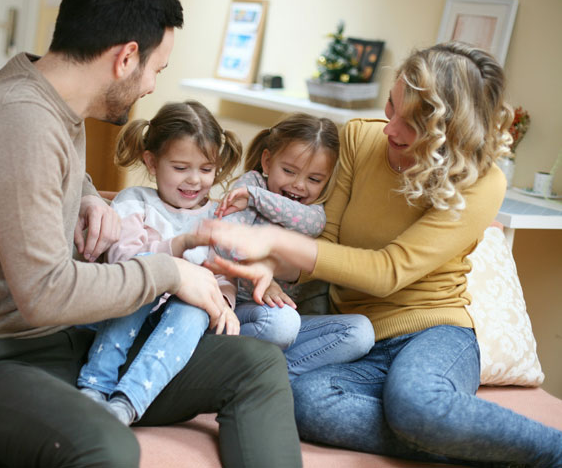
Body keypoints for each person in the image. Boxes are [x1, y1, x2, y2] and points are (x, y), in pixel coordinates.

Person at [0, 0, 302, 467]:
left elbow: (42, 173)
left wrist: (88, 198)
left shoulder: (51, 102)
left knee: (256, 364)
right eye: (157, 69)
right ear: (126, 57)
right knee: (106, 446)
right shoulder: (20, 121)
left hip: (47, 341)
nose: (153, 84)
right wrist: (171, 272)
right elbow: (45, 291)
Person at [196, 41, 562, 466]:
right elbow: (326, 243)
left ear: (448, 133)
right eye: (392, 105)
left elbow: (389, 270)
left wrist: (277, 243)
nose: (390, 128)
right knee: (302, 399)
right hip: (359, 338)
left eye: (411, 124)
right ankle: (461, 441)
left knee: (417, 402)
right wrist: (267, 268)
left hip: (435, 332)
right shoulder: (358, 138)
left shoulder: (481, 181)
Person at [77, 100, 243, 425]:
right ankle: (94, 387)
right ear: (152, 163)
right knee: (146, 266)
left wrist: (222, 303)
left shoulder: (219, 217)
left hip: (179, 329)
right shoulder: (134, 202)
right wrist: (180, 244)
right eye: (180, 168)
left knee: (197, 305)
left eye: (206, 169)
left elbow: (226, 275)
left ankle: (126, 404)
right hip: (129, 310)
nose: (194, 180)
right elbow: (125, 262)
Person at [215, 113, 374, 379]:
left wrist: (257, 199)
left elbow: (312, 223)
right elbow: (228, 243)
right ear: (267, 160)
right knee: (282, 325)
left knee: (361, 332)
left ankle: (268, 379)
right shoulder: (250, 184)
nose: (298, 185)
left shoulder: (264, 198)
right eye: (288, 171)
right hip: (239, 309)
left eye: (314, 179)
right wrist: (259, 279)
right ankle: (219, 366)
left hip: (283, 314)